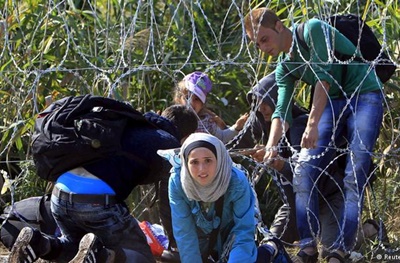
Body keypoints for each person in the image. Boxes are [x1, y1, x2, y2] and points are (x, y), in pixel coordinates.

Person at [245, 8, 384, 263]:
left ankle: (341, 249)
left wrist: (312, 124)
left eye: (264, 39)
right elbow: (281, 111)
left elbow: (324, 78)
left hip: (364, 93)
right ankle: (308, 247)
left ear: (278, 26)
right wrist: (270, 146)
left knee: (355, 173)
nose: (262, 47)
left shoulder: (312, 30)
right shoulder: (284, 65)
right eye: (257, 44)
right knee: (304, 171)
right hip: (332, 101)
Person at [8, 104, 198, 263]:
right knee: (142, 256)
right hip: (95, 201)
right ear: (186, 137)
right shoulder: (169, 145)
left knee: (75, 246)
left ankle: (38, 242)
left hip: (60, 193)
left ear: (160, 115)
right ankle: (102, 255)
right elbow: (170, 202)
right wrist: (175, 245)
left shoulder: (132, 122)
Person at [167, 132, 279, 263]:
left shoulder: (236, 181)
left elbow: (243, 230)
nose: (202, 169)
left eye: (208, 160)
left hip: (232, 238)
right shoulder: (178, 183)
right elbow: (184, 232)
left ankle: (269, 249)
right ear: (186, 163)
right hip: (202, 241)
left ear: (218, 159)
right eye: (194, 162)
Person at [174, 71, 249, 144]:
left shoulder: (207, 122)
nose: (190, 102)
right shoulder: (174, 119)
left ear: (203, 103)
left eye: (197, 99)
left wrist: (236, 127)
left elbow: (222, 137)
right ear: (179, 99)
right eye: (187, 97)